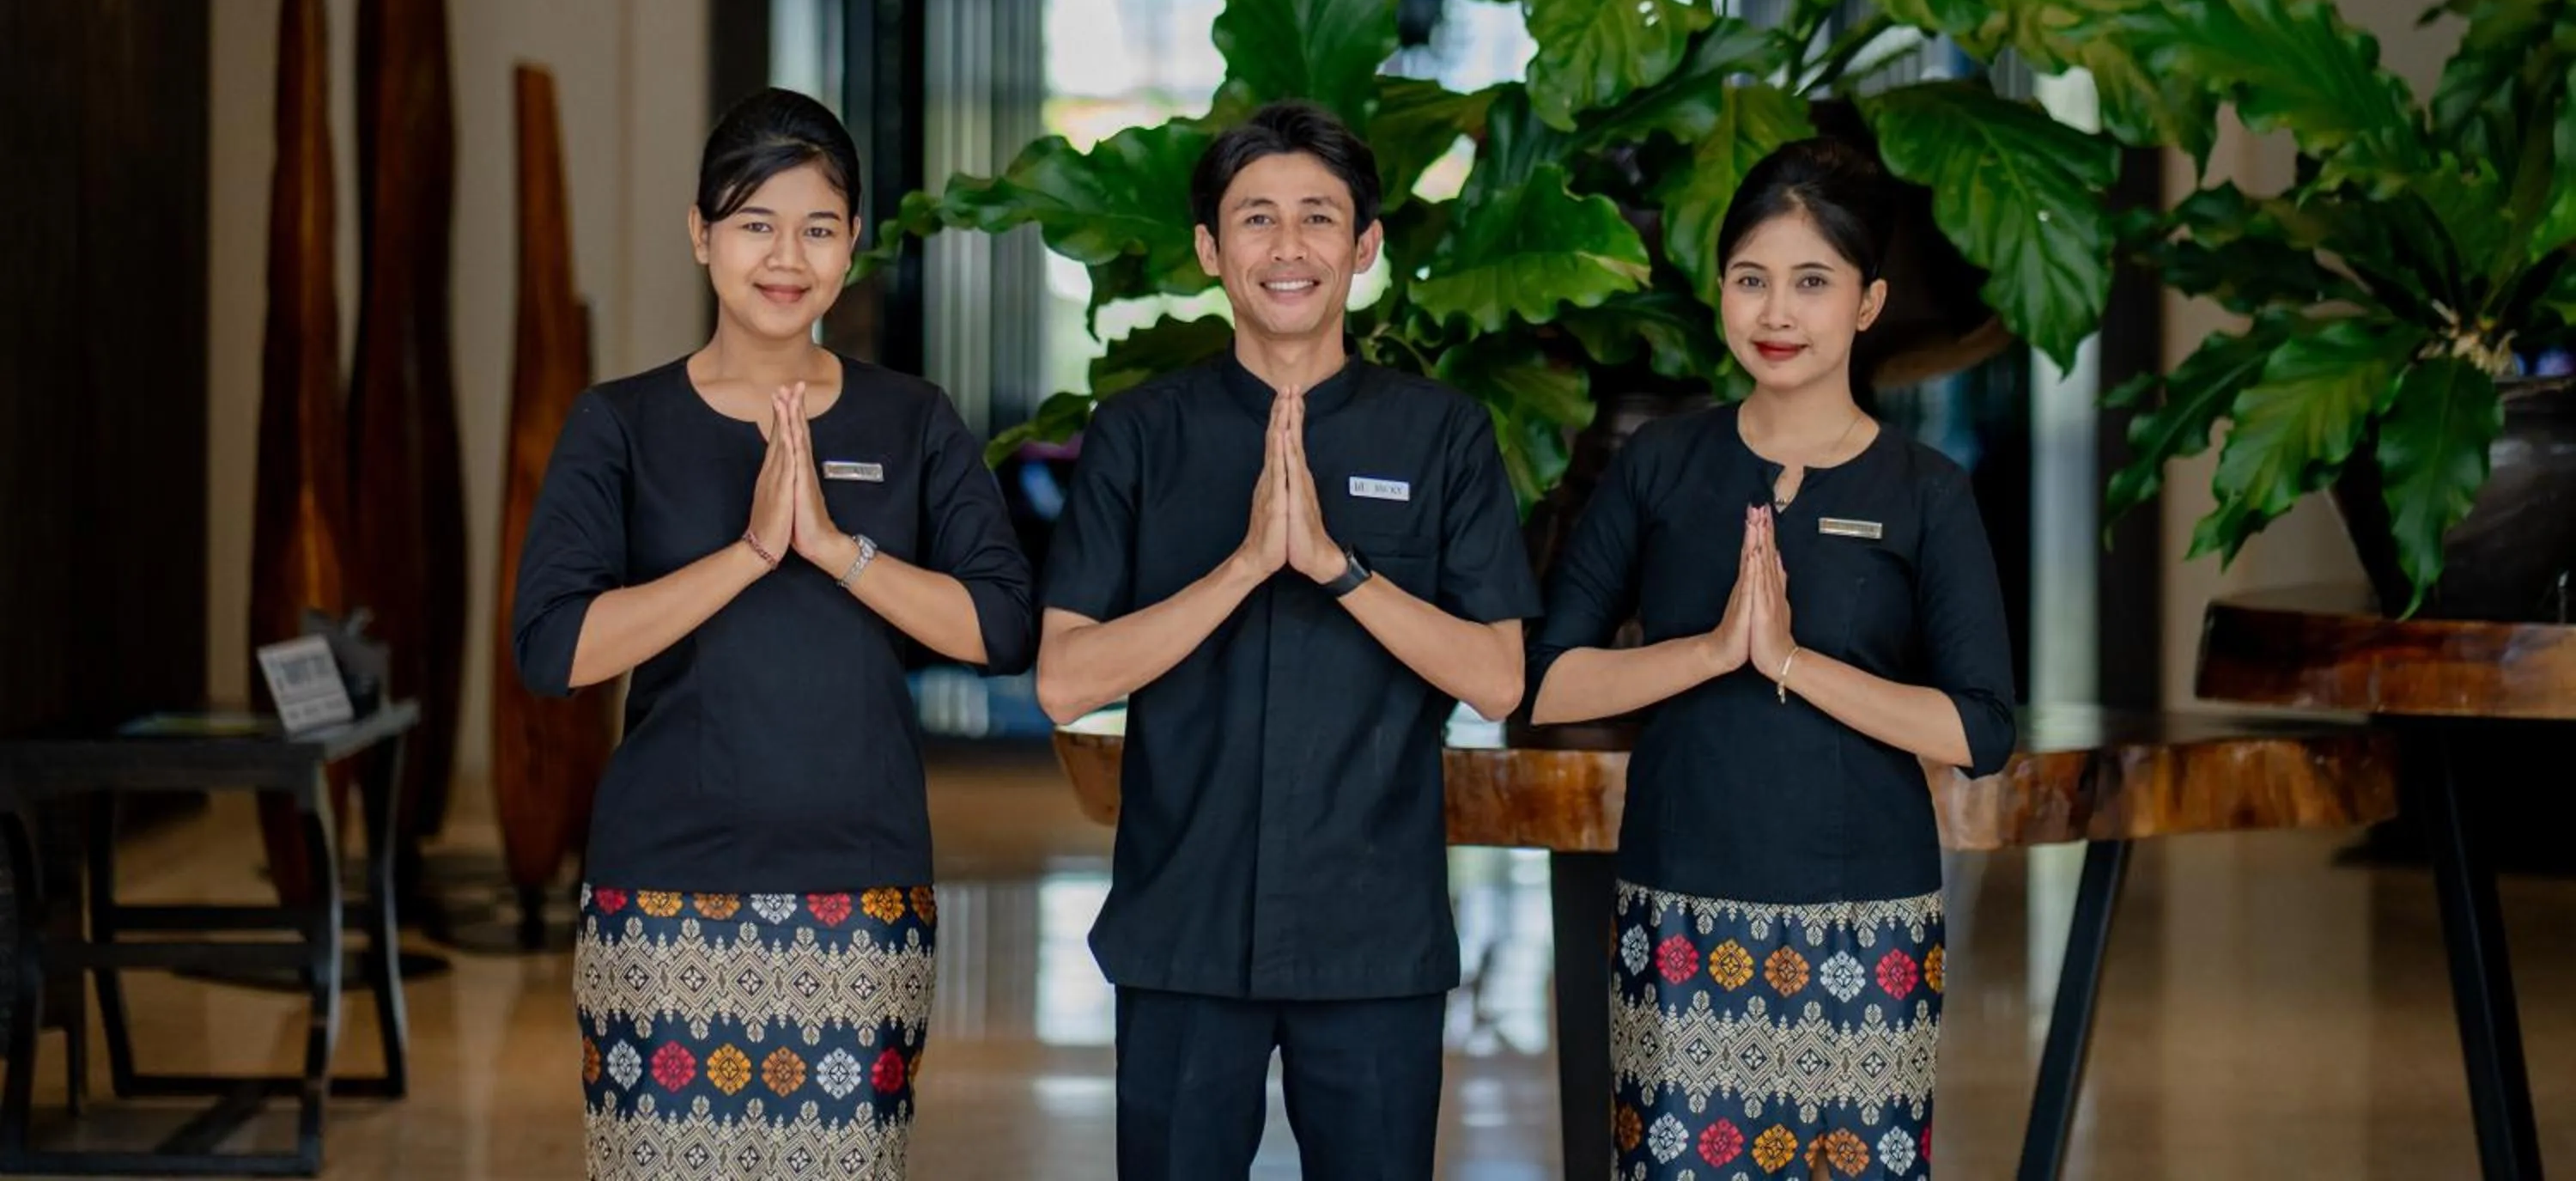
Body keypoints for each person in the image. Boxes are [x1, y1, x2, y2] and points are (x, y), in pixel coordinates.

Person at [512, 88, 1035, 1180]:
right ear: (701, 235)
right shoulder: (622, 422)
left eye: (819, 226)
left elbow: (1001, 624)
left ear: (852, 244)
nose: (785, 255)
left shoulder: (912, 418)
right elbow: (553, 648)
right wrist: (748, 552)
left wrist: (839, 548)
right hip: (661, 896)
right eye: (755, 222)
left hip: (862, 891)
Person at [1035, 100, 1541, 1181]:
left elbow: (1497, 677)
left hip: (1373, 933)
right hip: (1183, 922)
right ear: (1212, 249)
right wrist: (1243, 568)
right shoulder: (1138, 432)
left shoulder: (1441, 432)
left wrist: (1337, 568)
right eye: (1256, 218)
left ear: (1364, 244)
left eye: (1318, 216)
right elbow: (1063, 677)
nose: (1288, 246)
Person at [1527, 137, 2015, 1181]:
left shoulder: (1926, 490)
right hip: (1680, 909)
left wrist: (1791, 659)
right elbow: (1550, 675)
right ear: (1719, 293)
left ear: (1868, 302)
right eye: (1751, 280)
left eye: (1811, 282)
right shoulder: (1662, 462)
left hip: (1868, 920)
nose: (1777, 313)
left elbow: (1980, 728)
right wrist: (1710, 650)